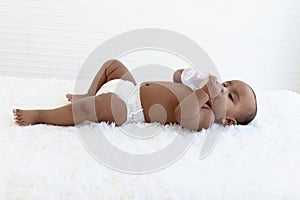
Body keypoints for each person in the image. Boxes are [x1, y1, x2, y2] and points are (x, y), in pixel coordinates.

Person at [13, 59, 257, 131]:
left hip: (131, 110)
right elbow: (175, 75)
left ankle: (39, 115)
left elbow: (183, 114)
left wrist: (205, 93)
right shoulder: (199, 89)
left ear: (229, 120)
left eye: (231, 97)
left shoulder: (205, 116)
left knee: (96, 106)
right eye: (226, 84)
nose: (224, 89)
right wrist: (190, 76)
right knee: (112, 65)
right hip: (135, 88)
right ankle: (86, 93)